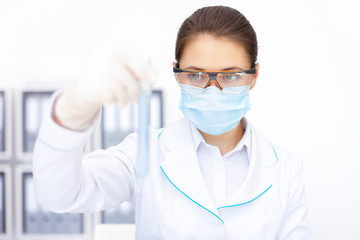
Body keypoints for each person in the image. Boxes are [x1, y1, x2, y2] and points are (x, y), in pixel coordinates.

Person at [33, 5, 311, 239]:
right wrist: (72, 110)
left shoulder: (285, 170)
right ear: (176, 73)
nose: (212, 89)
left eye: (231, 76)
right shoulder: (144, 153)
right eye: (195, 75)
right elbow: (59, 196)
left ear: (254, 75)